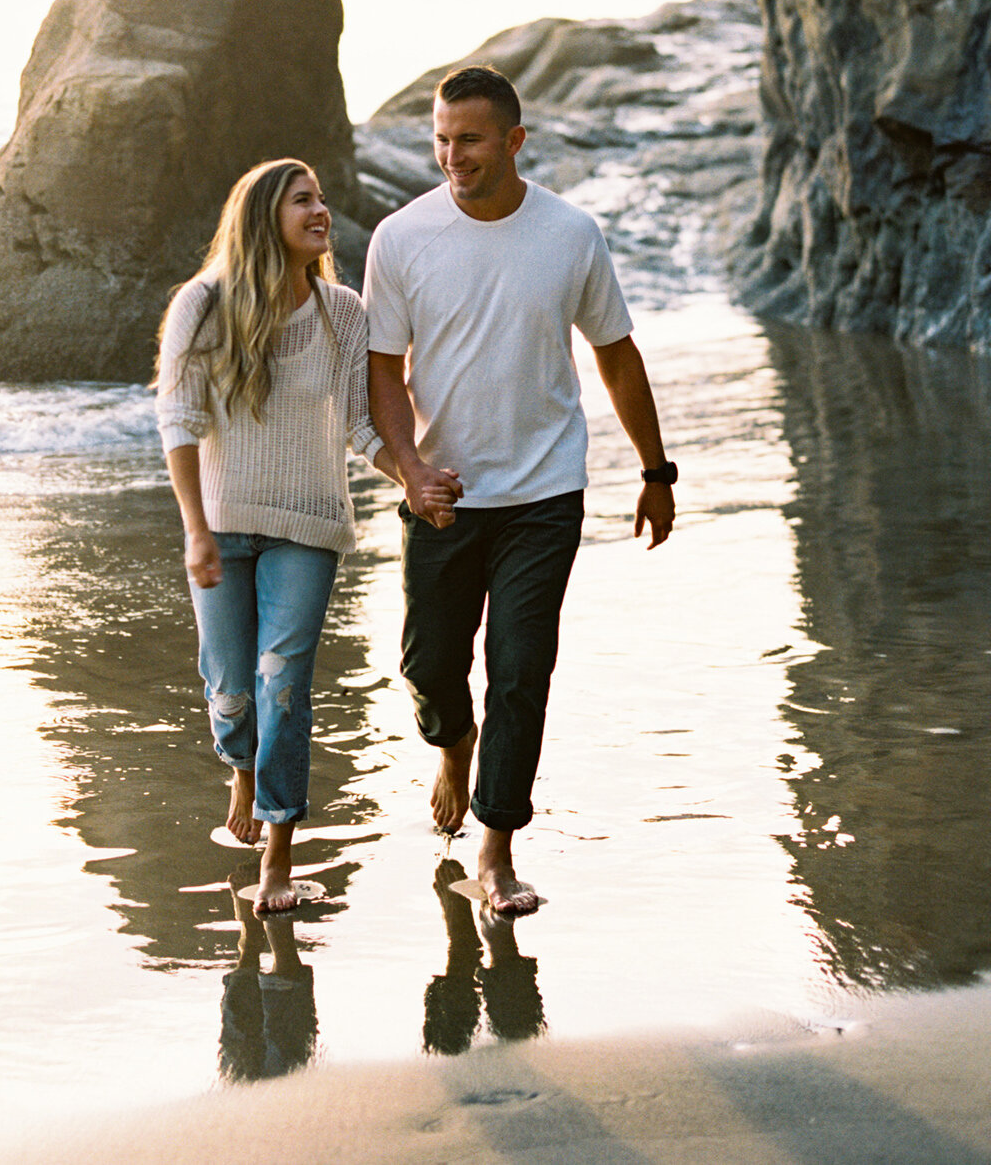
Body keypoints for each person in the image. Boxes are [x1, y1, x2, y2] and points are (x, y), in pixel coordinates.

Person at [365, 65, 676, 917]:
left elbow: (615, 353)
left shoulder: (570, 234)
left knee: (521, 669)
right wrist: (408, 467)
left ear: (513, 141)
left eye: (468, 139)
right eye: (440, 139)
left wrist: (656, 470)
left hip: (544, 494)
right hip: (442, 495)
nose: (451, 155)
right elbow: (381, 369)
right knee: (428, 665)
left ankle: (496, 849)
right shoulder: (400, 237)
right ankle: (454, 746)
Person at [156, 158, 412, 915]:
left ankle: (276, 856)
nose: (320, 210)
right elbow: (179, 420)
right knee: (232, 693)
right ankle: (242, 767)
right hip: (223, 526)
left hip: (307, 525)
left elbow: (362, 427)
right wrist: (195, 530)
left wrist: (415, 479)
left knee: (283, 681)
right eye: (303, 200)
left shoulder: (343, 312)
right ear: (264, 215)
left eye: (323, 199)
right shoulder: (202, 304)